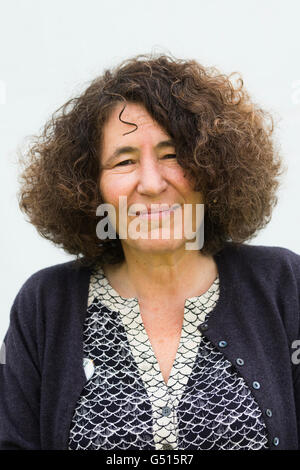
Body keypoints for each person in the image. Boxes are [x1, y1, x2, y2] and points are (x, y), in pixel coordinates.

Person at [0, 53, 300, 451]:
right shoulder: (44, 305)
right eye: (124, 160)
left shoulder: (284, 283)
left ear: (212, 167)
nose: (152, 183)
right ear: (91, 187)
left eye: (171, 154)